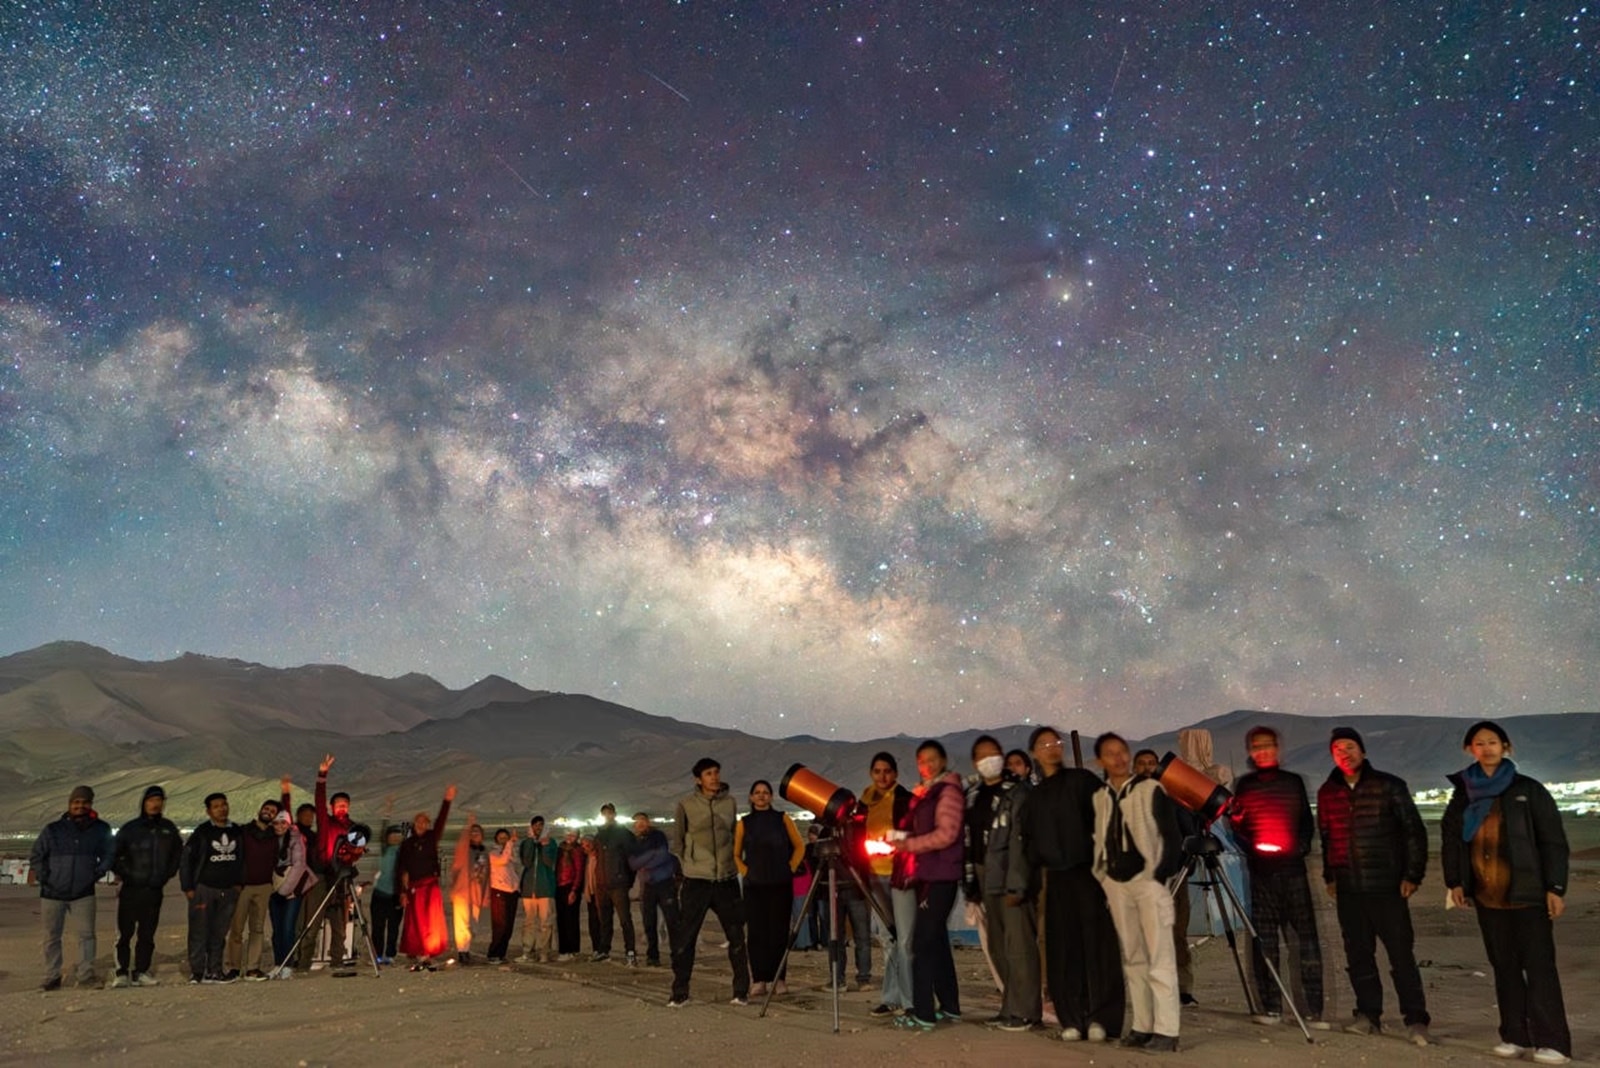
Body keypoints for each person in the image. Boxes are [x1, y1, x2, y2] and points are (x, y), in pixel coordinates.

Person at [1442, 720, 1572, 1065]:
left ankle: (1553, 1041)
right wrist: (1455, 881)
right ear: (1470, 749)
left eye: (1492, 742)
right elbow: (1453, 841)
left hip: (1528, 895)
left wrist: (1555, 888)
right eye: (1479, 743)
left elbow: (1553, 841)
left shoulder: (1528, 790)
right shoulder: (1463, 793)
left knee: (1540, 968)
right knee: (1504, 967)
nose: (1486, 748)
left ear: (1506, 747)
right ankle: (1514, 1035)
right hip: (1488, 896)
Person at [1317, 726, 1430, 1044]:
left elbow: (1413, 832)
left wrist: (1412, 875)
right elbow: (1327, 836)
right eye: (1337, 748)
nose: (1344, 752)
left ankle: (1416, 1019)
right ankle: (1368, 1015)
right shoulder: (1328, 792)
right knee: (1358, 956)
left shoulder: (1389, 785)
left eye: (1350, 746)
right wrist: (1330, 876)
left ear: (1363, 751)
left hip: (1388, 886)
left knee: (1400, 955)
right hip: (1350, 889)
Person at [1020, 725, 1124, 1042]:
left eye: (1055, 742)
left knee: (1098, 947)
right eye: (1043, 743)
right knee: (1063, 950)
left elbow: (1108, 819)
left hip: (1089, 874)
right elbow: (1031, 846)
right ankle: (1071, 1017)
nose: (1050, 748)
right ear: (1034, 753)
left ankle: (1102, 1018)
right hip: (1057, 879)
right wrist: (1026, 885)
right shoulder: (1035, 797)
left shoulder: (1082, 782)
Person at [1227, 725, 1329, 1028]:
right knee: (1265, 944)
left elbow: (1305, 825)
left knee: (1307, 943)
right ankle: (1271, 1007)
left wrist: (1298, 848)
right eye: (1256, 746)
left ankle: (1313, 1011)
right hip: (1261, 876)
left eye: (1268, 745)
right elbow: (1238, 828)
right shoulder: (1244, 786)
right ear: (1250, 751)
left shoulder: (1293, 783)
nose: (1263, 751)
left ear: (1278, 748)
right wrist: (1252, 848)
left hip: (1294, 873)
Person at [1092, 733, 1183, 1053]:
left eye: (1122, 752)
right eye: (1110, 754)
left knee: (1159, 956)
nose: (1118, 758)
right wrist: (1102, 876)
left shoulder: (1149, 789)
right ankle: (1143, 1025)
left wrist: (1158, 875)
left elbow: (1170, 836)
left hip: (1146, 882)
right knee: (1133, 957)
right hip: (1117, 884)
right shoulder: (1101, 796)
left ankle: (1167, 1028)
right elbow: (1101, 837)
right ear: (1099, 761)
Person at [885, 739, 966, 1031]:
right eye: (922, 760)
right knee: (938, 943)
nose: (927, 765)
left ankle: (923, 1013)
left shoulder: (948, 792)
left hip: (940, 877)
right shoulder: (928, 793)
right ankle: (950, 1006)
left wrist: (908, 844)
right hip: (929, 875)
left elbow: (945, 834)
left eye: (932, 759)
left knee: (921, 943)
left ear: (943, 761)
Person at [965, 734, 1039, 1031]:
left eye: (994, 753)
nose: (990, 759)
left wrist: (1018, 883)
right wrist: (970, 887)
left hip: (1010, 875)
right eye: (983, 755)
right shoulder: (972, 795)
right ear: (975, 762)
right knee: (997, 946)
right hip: (984, 876)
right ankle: (1009, 1006)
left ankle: (1026, 1012)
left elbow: (1021, 842)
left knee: (1019, 945)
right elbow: (967, 842)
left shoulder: (1017, 793)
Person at [667, 756, 749, 1007]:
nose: (714, 777)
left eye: (716, 772)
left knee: (736, 937)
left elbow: (736, 836)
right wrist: (689, 864)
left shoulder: (730, 803)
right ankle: (680, 993)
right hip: (697, 880)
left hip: (725, 878)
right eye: (708, 774)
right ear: (698, 779)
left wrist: (735, 863)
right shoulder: (686, 805)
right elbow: (679, 840)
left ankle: (740, 992)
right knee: (686, 939)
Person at [32, 784, 114, 991]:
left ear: (91, 804)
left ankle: (86, 975)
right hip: (52, 893)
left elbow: (109, 854)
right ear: (70, 804)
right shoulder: (53, 829)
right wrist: (45, 877)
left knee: (87, 935)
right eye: (76, 802)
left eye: (85, 802)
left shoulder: (101, 829)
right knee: (51, 937)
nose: (80, 806)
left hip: (83, 893)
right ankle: (52, 976)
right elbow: (37, 855)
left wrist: (97, 872)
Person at [1134, 748, 1198, 1007]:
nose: (1148, 768)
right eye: (1142, 763)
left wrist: (1182, 865)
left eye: (1152, 763)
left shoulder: (1174, 799)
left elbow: (1188, 832)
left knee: (1176, 934)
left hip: (1173, 875)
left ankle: (1182, 987)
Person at [735, 780, 805, 997]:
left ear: (771, 797)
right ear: (750, 797)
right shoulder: (743, 823)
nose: (761, 796)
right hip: (754, 886)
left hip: (780, 884)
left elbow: (800, 846)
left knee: (778, 932)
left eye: (765, 792)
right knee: (756, 934)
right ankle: (759, 979)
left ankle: (779, 979)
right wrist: (746, 872)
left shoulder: (782, 819)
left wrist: (791, 867)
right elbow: (736, 854)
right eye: (757, 792)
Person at [109, 784, 181, 987]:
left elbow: (177, 853)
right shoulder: (130, 829)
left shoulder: (168, 828)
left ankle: (141, 971)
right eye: (151, 800)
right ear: (144, 803)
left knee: (147, 934)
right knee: (125, 933)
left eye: (159, 800)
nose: (155, 804)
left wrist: (167, 874)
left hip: (155, 889)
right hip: (131, 889)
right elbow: (114, 855)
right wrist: (127, 874)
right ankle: (122, 972)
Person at [861, 750, 914, 1015]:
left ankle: (910, 1000)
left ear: (895, 773)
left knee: (904, 938)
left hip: (900, 875)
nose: (882, 776)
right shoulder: (865, 802)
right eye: (877, 771)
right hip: (874, 875)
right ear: (871, 774)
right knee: (886, 938)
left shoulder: (905, 800)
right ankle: (890, 996)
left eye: (887, 771)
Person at [181, 791, 244, 984]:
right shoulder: (202, 832)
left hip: (228, 891)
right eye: (216, 806)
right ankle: (197, 972)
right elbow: (186, 860)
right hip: (204, 889)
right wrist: (188, 887)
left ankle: (215, 971)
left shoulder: (236, 831)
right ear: (209, 811)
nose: (221, 809)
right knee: (199, 931)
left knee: (219, 933)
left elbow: (242, 859)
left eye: (224, 804)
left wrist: (239, 884)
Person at [225, 795, 284, 980]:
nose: (268, 812)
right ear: (260, 810)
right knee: (236, 928)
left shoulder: (274, 837)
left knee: (257, 929)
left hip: (264, 887)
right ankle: (234, 967)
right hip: (243, 887)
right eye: (266, 808)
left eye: (273, 811)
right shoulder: (243, 831)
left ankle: (252, 968)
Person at [397, 785, 456, 971]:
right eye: (418, 822)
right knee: (417, 922)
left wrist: (447, 801)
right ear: (414, 825)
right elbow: (402, 868)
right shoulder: (407, 844)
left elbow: (441, 821)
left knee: (431, 920)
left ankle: (428, 952)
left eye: (425, 822)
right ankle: (419, 952)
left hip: (430, 885)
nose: (421, 825)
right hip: (415, 886)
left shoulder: (432, 838)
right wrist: (403, 891)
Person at [311, 754, 358, 968]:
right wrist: (322, 776)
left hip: (342, 879)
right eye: (338, 805)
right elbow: (319, 802)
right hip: (323, 876)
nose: (342, 808)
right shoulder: (326, 823)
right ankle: (304, 962)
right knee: (312, 922)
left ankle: (337, 960)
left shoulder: (352, 828)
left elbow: (355, 852)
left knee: (340, 924)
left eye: (345, 805)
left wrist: (355, 852)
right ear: (331, 807)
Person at [268, 806, 317, 974]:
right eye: (276, 823)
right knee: (277, 928)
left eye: (283, 822)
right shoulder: (270, 840)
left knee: (288, 926)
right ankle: (278, 962)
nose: (279, 826)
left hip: (293, 889)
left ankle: (287, 965)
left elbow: (299, 865)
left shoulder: (297, 839)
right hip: (274, 887)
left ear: (288, 823)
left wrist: (284, 891)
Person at [628, 811, 680, 967]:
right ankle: (653, 955)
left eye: (642, 820)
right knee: (649, 922)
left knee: (672, 921)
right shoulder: (635, 842)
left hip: (665, 883)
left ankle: (678, 954)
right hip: (648, 885)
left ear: (648, 822)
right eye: (637, 822)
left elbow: (663, 855)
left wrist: (644, 862)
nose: (640, 824)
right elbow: (633, 864)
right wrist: (651, 855)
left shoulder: (658, 836)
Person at [593, 803, 639, 965]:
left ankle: (630, 952)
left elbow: (632, 859)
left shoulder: (623, 834)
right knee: (604, 920)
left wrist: (627, 879)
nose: (607, 816)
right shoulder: (599, 835)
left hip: (619, 883)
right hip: (602, 884)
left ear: (614, 814)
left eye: (609, 813)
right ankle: (604, 950)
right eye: (604, 813)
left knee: (625, 919)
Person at [516, 815, 559, 963]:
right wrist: (530, 842)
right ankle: (527, 951)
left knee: (545, 922)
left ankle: (544, 952)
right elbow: (526, 861)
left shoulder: (552, 843)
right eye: (535, 825)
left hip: (545, 887)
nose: (538, 828)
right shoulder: (526, 843)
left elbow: (549, 862)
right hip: (529, 888)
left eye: (540, 825)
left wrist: (545, 845)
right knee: (529, 921)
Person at [450, 820, 490, 964]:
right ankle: (462, 951)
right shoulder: (463, 850)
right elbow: (455, 869)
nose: (474, 835)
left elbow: (486, 874)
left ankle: (466, 947)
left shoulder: (484, 852)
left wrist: (486, 895)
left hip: (477, 892)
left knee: (473, 923)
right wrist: (469, 824)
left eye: (477, 832)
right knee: (462, 923)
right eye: (472, 832)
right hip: (462, 892)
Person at [368, 824, 404, 964]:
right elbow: (381, 832)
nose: (395, 837)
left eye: (398, 834)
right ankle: (377, 954)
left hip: (395, 895)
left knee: (393, 927)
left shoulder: (403, 852)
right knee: (378, 927)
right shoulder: (383, 850)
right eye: (392, 834)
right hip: (379, 895)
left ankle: (390, 954)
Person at [292, 801, 321, 971]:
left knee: (310, 922)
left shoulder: (314, 836)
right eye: (306, 815)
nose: (309, 818)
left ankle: (304, 960)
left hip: (313, 880)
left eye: (312, 816)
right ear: (299, 816)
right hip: (296, 882)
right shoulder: (294, 833)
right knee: (297, 921)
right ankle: (293, 957)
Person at [485, 827, 520, 963]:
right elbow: (503, 861)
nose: (504, 841)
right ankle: (493, 953)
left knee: (509, 925)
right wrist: (510, 844)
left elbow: (515, 864)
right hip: (499, 890)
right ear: (496, 840)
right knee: (500, 924)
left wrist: (511, 847)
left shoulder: (509, 852)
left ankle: (502, 953)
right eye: (501, 838)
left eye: (506, 838)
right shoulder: (493, 854)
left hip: (512, 891)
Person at [554, 828, 585, 961]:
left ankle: (572, 949)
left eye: (573, 835)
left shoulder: (577, 851)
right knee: (561, 919)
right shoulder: (560, 849)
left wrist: (574, 890)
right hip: (559, 886)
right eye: (568, 834)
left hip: (571, 886)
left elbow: (579, 871)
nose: (570, 837)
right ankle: (563, 950)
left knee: (571, 919)